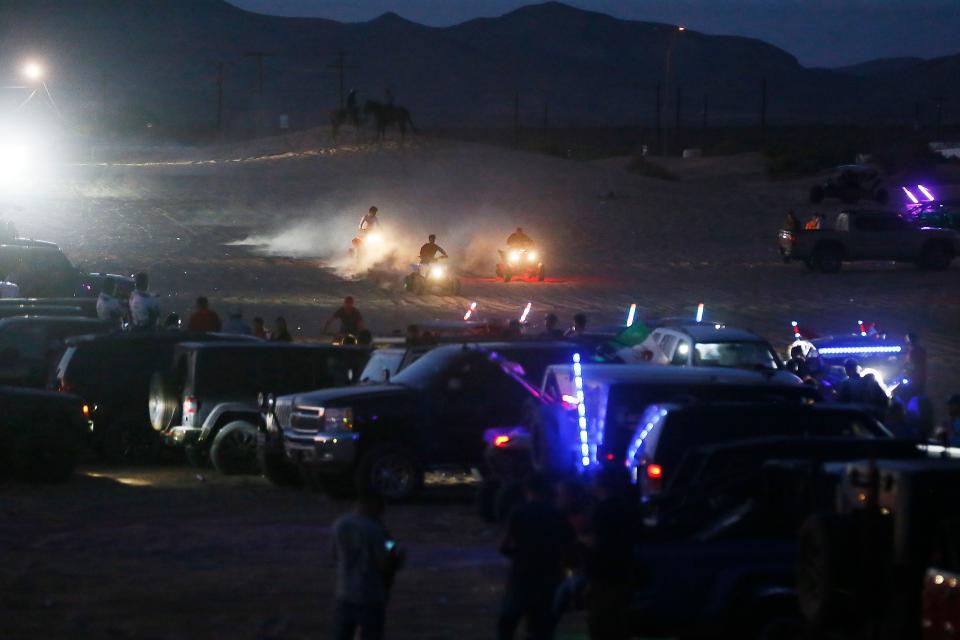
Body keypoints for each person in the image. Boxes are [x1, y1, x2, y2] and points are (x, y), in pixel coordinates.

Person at [498, 473, 574, 640]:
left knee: (508, 621)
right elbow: (569, 545)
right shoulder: (557, 514)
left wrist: (518, 555)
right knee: (542, 626)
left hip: (522, 574)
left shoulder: (519, 512)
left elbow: (504, 546)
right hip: (549, 575)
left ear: (528, 490)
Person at [332, 491, 404, 640]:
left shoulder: (340, 524)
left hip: (345, 592)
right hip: (370, 595)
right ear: (374, 505)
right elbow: (385, 563)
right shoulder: (376, 529)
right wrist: (397, 559)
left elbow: (334, 555)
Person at [586, 467, 638, 640]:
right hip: (624, 568)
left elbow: (596, 542)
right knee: (620, 619)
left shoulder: (601, 510)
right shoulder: (626, 508)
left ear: (600, 485)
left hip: (603, 572)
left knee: (602, 620)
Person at [904, 332, 928, 397]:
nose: (905, 340)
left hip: (915, 377)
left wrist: (907, 372)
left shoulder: (914, 350)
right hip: (918, 376)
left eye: (906, 339)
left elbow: (914, 364)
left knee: (915, 395)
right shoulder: (918, 349)